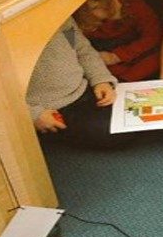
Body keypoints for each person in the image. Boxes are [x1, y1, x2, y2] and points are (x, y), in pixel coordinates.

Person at [27, 18, 126, 148]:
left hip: (83, 88)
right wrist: (33, 113)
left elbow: (82, 50)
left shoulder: (59, 18)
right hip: (49, 109)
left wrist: (101, 80)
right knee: (111, 132)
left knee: (132, 111)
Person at [73, 0, 162, 82]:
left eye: (111, 0)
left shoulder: (133, 4)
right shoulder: (81, 24)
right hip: (103, 59)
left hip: (137, 53)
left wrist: (117, 56)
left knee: (154, 60)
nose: (109, 8)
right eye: (95, 7)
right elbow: (75, 47)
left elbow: (152, 36)